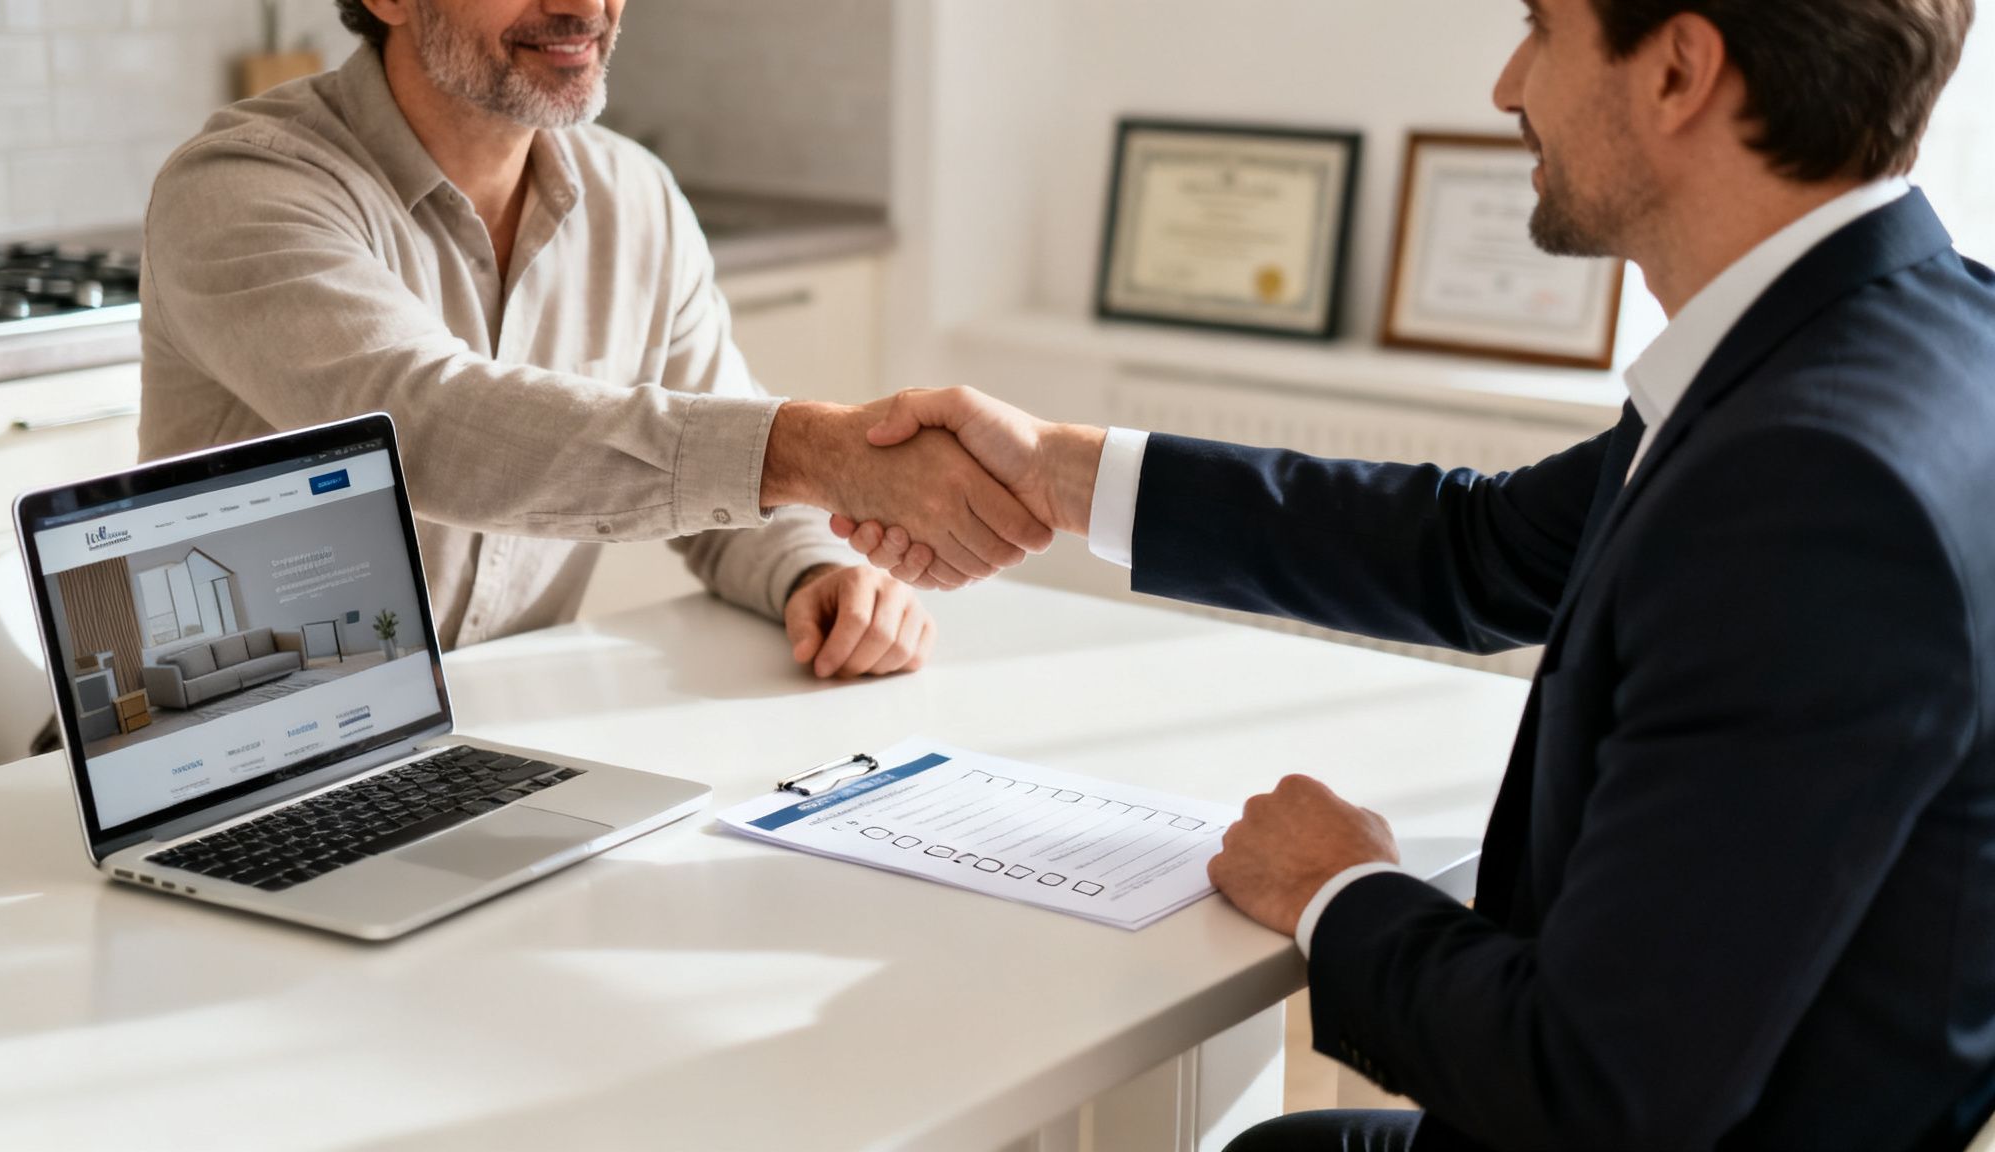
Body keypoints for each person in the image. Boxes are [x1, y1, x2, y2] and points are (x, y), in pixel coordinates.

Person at [832, 0, 1995, 1146]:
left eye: (1541, 26)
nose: (1504, 86)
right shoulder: (1894, 335)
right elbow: (1477, 550)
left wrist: (1338, 891)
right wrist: (1055, 470)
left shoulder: (1809, 490)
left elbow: (1598, 1092)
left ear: (1677, 71)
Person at [137, 0, 1051, 681]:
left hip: (476, 747)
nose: (584, 6)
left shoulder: (637, 200)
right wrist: (810, 449)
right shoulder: (241, 189)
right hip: (229, 754)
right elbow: (432, 427)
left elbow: (728, 489)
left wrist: (816, 571)